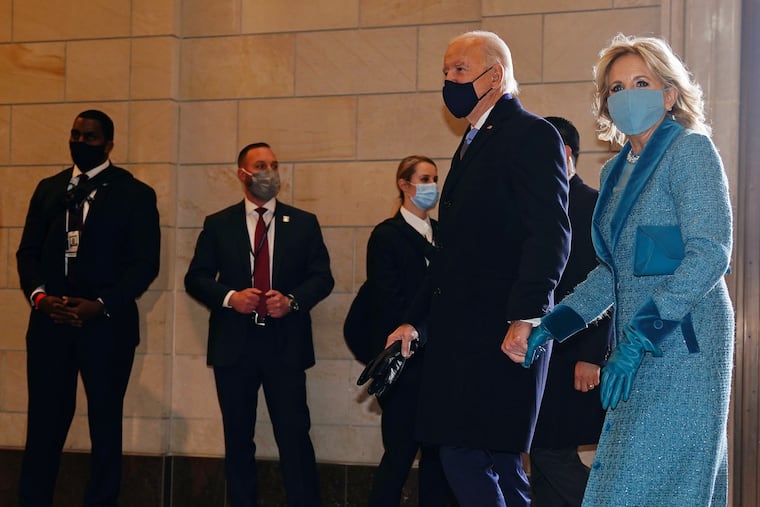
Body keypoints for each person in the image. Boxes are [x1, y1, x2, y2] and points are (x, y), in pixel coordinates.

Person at [505, 34, 734, 506]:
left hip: (685, 342)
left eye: (641, 82)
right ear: (605, 104)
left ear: (669, 94)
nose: (627, 94)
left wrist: (637, 339)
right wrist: (552, 325)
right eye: (616, 88)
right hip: (637, 342)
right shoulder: (614, 172)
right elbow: (611, 273)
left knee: (661, 476)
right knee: (623, 477)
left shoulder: (690, 150)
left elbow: (710, 252)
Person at [387, 31, 572, 506]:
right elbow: (454, 253)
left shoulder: (531, 133)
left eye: (460, 70)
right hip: (463, 333)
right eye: (446, 72)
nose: (450, 80)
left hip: (501, 330)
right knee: (482, 456)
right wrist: (415, 318)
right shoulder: (473, 141)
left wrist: (528, 315)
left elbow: (550, 233)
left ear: (496, 75)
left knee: (471, 453)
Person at [16, 109, 161, 506]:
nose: (80, 142)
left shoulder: (135, 194)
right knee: (44, 424)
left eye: (90, 137)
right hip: (51, 324)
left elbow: (145, 263)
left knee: (104, 423)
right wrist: (42, 299)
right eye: (75, 134)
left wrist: (101, 304)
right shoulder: (49, 189)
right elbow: (27, 253)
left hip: (106, 327)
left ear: (108, 144)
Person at [184, 142, 334, 507]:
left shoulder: (303, 223)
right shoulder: (218, 224)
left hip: (285, 345)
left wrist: (292, 301)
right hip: (234, 347)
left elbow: (322, 278)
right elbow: (196, 278)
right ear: (242, 174)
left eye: (274, 164)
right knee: (238, 439)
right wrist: (230, 298)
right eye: (260, 165)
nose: (269, 171)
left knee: (294, 436)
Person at [528, 116, 612, 507]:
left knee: (548, 451)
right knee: (543, 458)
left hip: (574, 355)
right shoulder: (540, 205)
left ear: (563, 154)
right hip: (541, 351)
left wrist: (591, 356)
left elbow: (606, 281)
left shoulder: (592, 205)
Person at [360, 155, 451, 506]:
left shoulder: (444, 234)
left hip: (440, 366)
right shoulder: (387, 236)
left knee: (437, 459)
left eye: (435, 179)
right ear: (403, 184)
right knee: (399, 454)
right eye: (424, 178)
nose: (432, 186)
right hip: (407, 364)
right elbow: (387, 301)